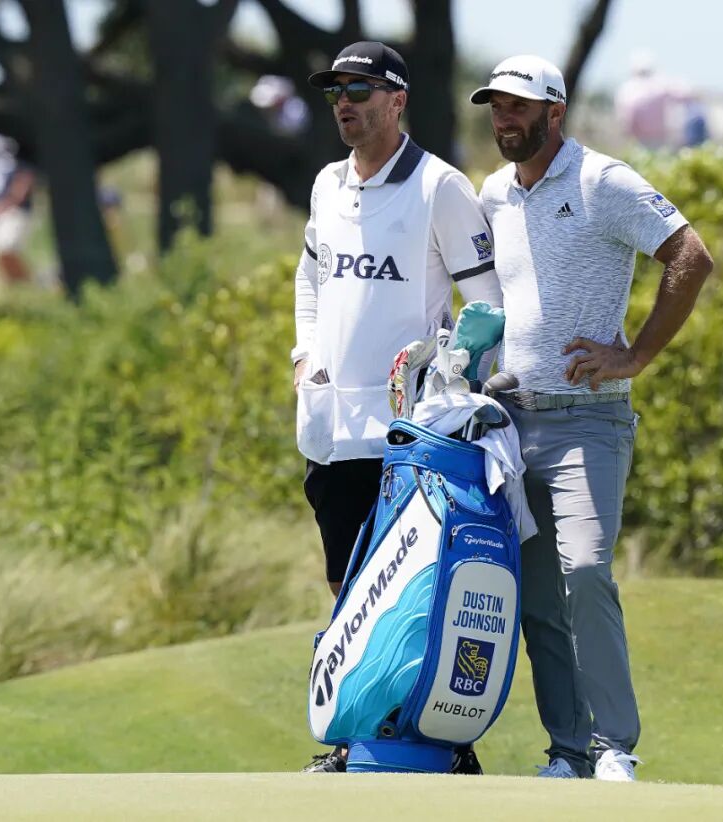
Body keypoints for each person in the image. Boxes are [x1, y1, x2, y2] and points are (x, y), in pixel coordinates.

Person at [469, 55, 714, 781]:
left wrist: (635, 355)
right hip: (511, 423)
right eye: (496, 107)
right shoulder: (493, 193)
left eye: (518, 107)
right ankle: (568, 752)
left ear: (555, 112)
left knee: (584, 570)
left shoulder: (602, 180)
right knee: (538, 597)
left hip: (588, 422)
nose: (504, 119)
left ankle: (614, 747)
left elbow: (691, 255)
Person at [292, 41, 503, 775]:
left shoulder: (440, 187)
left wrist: (447, 379)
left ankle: (441, 742)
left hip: (408, 436)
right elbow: (310, 279)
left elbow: (487, 308)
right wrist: (303, 354)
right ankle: (359, 737)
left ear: (397, 100)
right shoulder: (326, 184)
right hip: (330, 427)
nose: (343, 104)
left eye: (359, 90)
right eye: (335, 92)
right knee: (346, 589)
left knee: (413, 589)